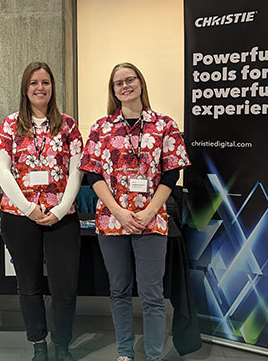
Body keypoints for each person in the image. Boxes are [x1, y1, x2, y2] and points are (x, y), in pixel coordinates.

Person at [79, 62, 191, 361]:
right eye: (118, 83)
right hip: (111, 221)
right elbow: (93, 175)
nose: (125, 85)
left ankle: (153, 355)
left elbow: (171, 175)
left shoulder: (164, 125)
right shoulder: (101, 128)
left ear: (141, 83)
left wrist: (148, 211)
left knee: (153, 296)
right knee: (119, 291)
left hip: (151, 221)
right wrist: (118, 212)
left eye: (130, 79)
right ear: (113, 91)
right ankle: (125, 353)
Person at [0, 62, 83, 361]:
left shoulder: (68, 125)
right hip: (20, 217)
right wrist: (29, 208)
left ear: (53, 87)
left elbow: (76, 172)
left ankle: (62, 345)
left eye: (45, 82)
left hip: (62, 217)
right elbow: (1, 171)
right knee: (28, 285)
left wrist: (60, 210)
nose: (40, 88)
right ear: (25, 88)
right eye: (33, 83)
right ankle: (39, 346)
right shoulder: (10, 125)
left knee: (65, 287)